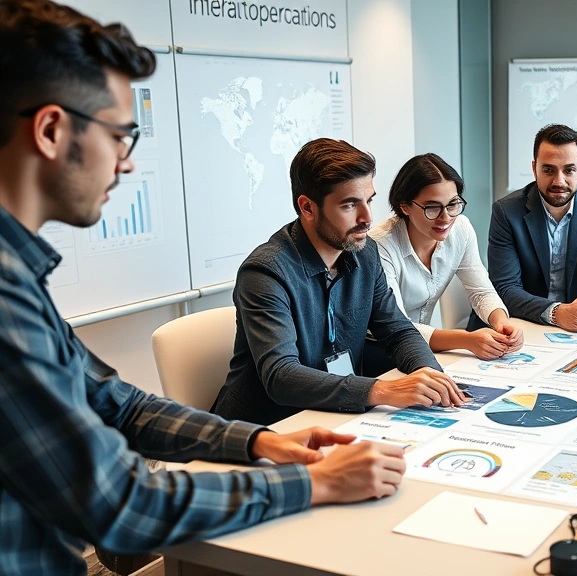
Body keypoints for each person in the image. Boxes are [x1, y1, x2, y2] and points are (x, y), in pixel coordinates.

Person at [0, 2, 406, 573]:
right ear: (50, 131)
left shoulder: (20, 273)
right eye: (120, 134)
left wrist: (259, 444)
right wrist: (307, 483)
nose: (126, 163)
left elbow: (120, 405)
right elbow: (121, 505)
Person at [211, 138, 466, 426]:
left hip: (334, 415)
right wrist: (383, 390)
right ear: (307, 207)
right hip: (268, 429)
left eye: (368, 201)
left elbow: (397, 331)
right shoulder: (265, 272)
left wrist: (430, 376)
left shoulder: (365, 252)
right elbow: (281, 376)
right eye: (349, 205)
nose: (367, 218)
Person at [369, 153, 524, 364]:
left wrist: (502, 323)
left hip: (425, 350)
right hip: (380, 352)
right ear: (405, 206)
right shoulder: (380, 245)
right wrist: (467, 340)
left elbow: (480, 291)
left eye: (452, 204)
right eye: (432, 207)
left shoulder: (461, 229)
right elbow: (397, 324)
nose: (446, 218)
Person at [487, 124, 577, 332]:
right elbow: (505, 288)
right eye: (548, 169)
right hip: (524, 325)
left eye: (569, 170)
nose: (559, 181)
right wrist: (555, 312)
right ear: (534, 168)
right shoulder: (506, 212)